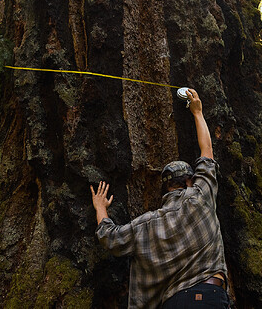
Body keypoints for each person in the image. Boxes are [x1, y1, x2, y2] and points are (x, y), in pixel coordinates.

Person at [90, 89, 230, 308]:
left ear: (166, 189)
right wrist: (197, 112)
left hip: (173, 302)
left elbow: (110, 238)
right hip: (210, 294)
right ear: (188, 182)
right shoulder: (201, 195)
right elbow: (207, 151)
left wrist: (100, 207)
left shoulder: (147, 224)